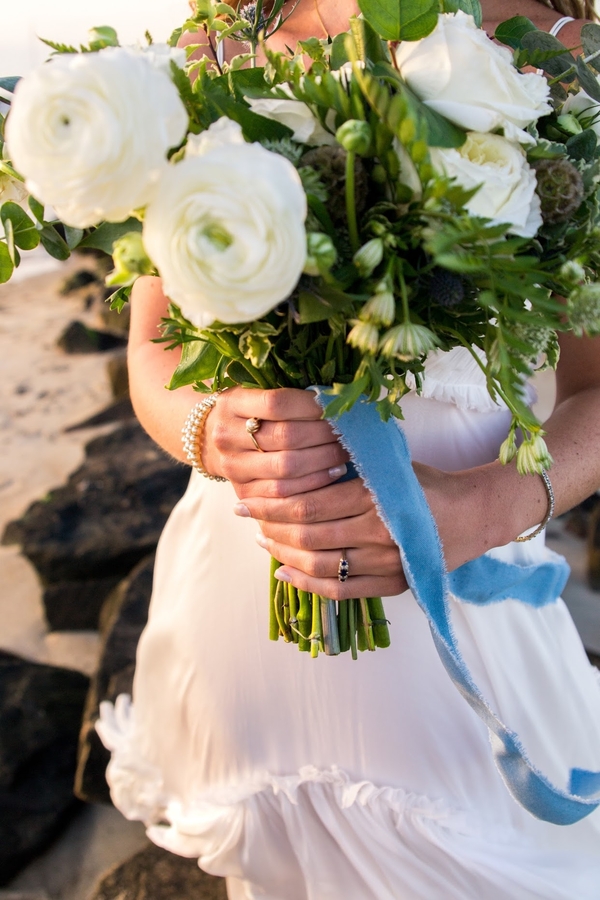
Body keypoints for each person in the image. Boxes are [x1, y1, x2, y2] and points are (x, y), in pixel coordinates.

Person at [97, 1, 600, 897]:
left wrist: (484, 508)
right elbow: (155, 349)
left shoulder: (560, 59)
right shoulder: (215, 46)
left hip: (459, 628)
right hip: (244, 598)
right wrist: (214, 432)